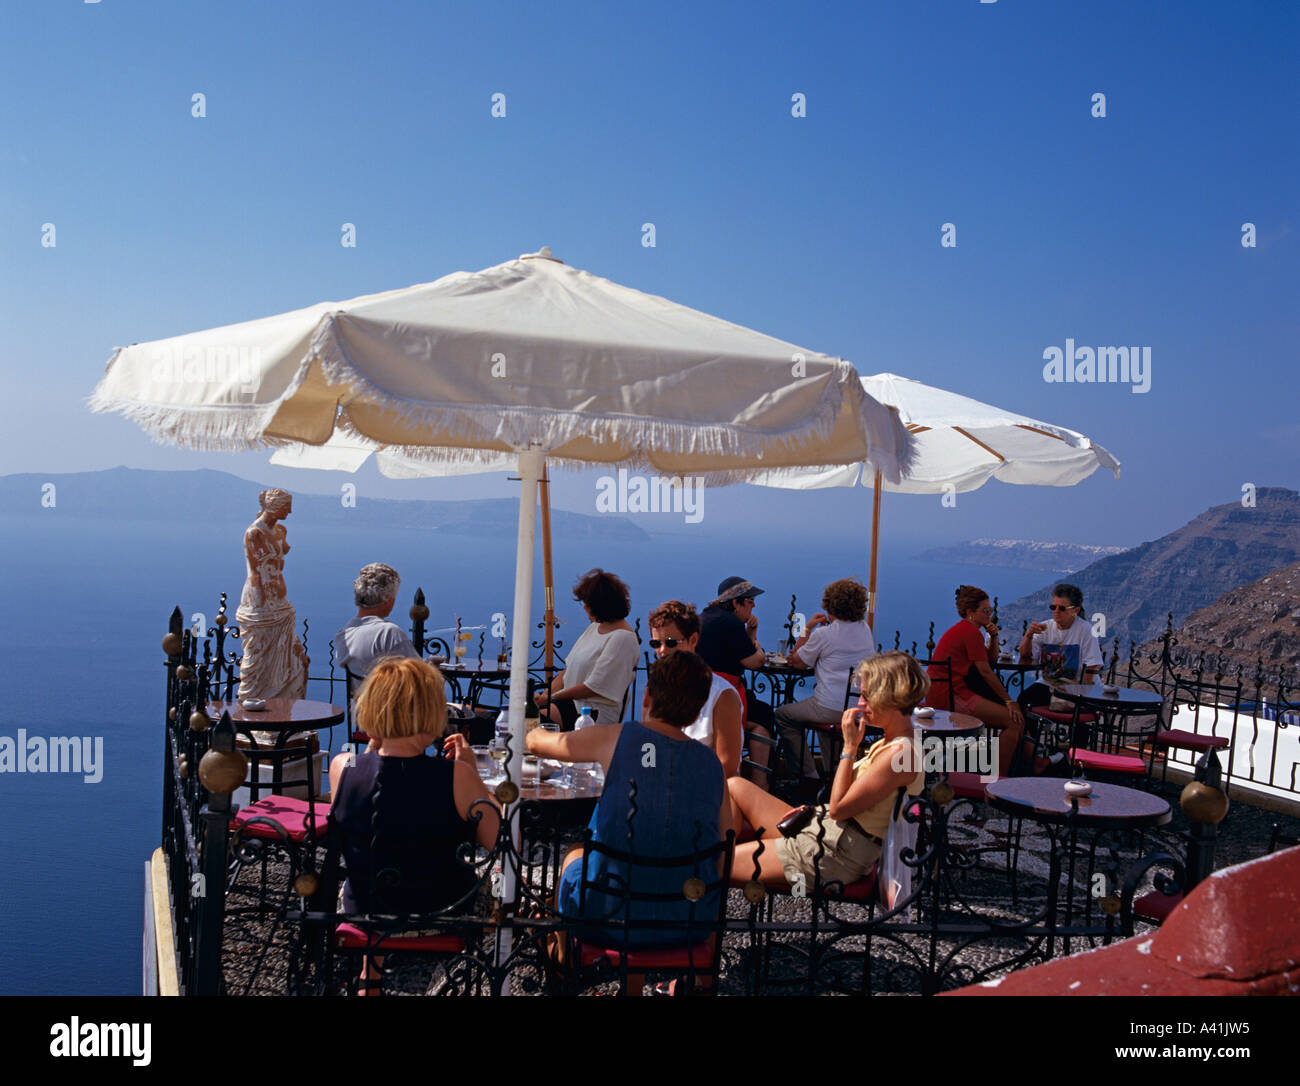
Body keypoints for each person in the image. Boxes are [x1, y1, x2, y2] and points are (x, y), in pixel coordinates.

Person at [527, 652, 732, 949]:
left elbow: (538, 743)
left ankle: (561, 957)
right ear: (698, 709)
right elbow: (725, 847)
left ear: (647, 695)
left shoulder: (615, 737)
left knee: (575, 854)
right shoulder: (712, 765)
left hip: (606, 916)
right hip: (687, 918)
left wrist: (530, 710)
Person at [327, 657, 500, 993]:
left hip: (365, 908)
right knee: (496, 891)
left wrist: (378, 743)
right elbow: (504, 842)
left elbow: (374, 812)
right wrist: (471, 772)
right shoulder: (455, 776)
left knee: (377, 858)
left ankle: (369, 978)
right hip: (439, 908)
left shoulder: (341, 767)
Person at [727, 652, 926, 890]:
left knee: (716, 865)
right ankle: (718, 854)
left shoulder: (899, 755)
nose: (860, 703)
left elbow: (841, 808)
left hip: (835, 855)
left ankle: (707, 892)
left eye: (866, 696)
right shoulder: (893, 743)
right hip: (826, 830)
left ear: (890, 697)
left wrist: (850, 747)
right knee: (735, 786)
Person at [776, 578, 877, 778]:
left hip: (830, 708)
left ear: (830, 606)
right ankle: (835, 775)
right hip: (858, 707)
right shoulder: (865, 629)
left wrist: (807, 628)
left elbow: (796, 661)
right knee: (826, 727)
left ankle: (808, 775)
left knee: (783, 715)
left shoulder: (825, 634)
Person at [926, 586, 1030, 777]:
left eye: (991, 610)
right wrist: (1009, 701)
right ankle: (999, 779)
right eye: (986, 610)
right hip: (952, 695)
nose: (990, 614)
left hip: (947, 691)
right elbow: (986, 671)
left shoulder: (968, 630)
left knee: (1016, 721)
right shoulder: (970, 632)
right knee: (1015, 722)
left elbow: (990, 659)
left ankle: (1015, 768)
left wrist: (994, 636)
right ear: (970, 612)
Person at [648, 600, 744, 777]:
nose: (662, 651)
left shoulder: (722, 695)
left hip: (704, 789)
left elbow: (727, 767)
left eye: (670, 643)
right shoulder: (656, 690)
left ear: (693, 640)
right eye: (656, 644)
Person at [534, 569, 639, 728]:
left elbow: (594, 687)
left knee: (530, 724)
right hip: (568, 704)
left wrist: (552, 698)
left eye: (587, 603)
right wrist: (545, 695)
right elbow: (567, 672)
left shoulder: (622, 638)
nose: (584, 608)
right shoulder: (594, 628)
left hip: (591, 713)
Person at [235, 488, 309, 703]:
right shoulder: (254, 533)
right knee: (258, 653)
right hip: (260, 599)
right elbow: (257, 573)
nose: (291, 511)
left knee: (292, 658)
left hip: (280, 600)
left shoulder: (281, 530)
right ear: (275, 506)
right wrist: (260, 606)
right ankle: (253, 702)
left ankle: (283, 706)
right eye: (287, 506)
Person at [697, 576, 775, 778]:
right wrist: (756, 641)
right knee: (764, 716)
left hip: (701, 692)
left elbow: (739, 653)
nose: (753, 605)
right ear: (735, 602)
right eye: (750, 601)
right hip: (723, 694)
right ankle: (760, 782)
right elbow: (754, 661)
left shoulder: (707, 616)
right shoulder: (730, 623)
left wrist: (749, 635)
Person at [1016, 583, 1104, 711]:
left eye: (1062, 608)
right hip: (1051, 683)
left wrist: (1077, 693)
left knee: (1078, 719)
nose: (1056, 611)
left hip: (1079, 685)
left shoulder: (1086, 630)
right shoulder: (1045, 627)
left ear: (1075, 610)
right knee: (1025, 700)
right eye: (1053, 607)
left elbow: (1092, 667)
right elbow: (1025, 656)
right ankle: (1031, 731)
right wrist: (1028, 635)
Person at [335, 563, 419, 679]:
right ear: (388, 601)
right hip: (388, 696)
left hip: (360, 696)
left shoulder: (344, 635)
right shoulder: (389, 633)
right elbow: (420, 677)